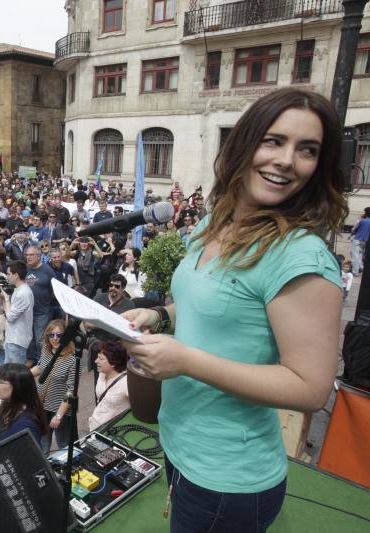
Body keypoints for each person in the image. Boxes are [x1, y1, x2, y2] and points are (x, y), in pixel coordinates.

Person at [123, 89, 347, 532]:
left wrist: (185, 360)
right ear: (243, 145)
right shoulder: (213, 224)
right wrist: (161, 316)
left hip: (228, 476)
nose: (287, 160)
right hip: (180, 444)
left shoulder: (301, 258)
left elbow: (309, 388)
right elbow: (214, 308)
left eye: (307, 150)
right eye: (273, 140)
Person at [0, 363, 48, 448]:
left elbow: (29, 457)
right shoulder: (8, 405)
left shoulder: (26, 425)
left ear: (17, 387)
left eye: (0, 382)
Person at [29, 319, 77, 453]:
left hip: (59, 409)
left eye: (59, 335)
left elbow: (71, 390)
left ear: (66, 337)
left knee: (63, 443)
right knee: (43, 441)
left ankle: (66, 470)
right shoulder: (46, 349)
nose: (55, 339)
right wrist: (23, 375)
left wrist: (59, 416)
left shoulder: (72, 359)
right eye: (52, 335)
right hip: (42, 404)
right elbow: (40, 367)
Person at [23, 245, 56, 367]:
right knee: (28, 337)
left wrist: (46, 301)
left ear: (39, 256)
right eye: (27, 255)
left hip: (41, 311)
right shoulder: (24, 269)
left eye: (31, 255)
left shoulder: (47, 270)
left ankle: (42, 361)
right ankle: (31, 358)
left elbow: (55, 290)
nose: (28, 257)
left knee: (40, 339)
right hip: (26, 311)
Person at [87, 340, 129, 431]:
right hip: (95, 427)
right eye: (97, 357)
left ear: (113, 362)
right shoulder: (102, 373)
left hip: (113, 432)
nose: (96, 361)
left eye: (101, 359)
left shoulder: (126, 383)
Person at [3, 260, 33, 365]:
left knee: (15, 376)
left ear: (16, 275)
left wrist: (6, 299)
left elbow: (10, 317)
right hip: (12, 338)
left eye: (8, 274)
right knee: (8, 374)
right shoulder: (18, 290)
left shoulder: (23, 293)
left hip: (17, 340)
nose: (7, 276)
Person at [349, 207, 370, 275]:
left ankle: (355, 271)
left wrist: (350, 235)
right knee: (359, 255)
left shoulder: (362, 221)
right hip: (365, 241)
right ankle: (361, 268)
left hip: (357, 240)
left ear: (366, 213)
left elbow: (354, 229)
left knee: (355, 255)